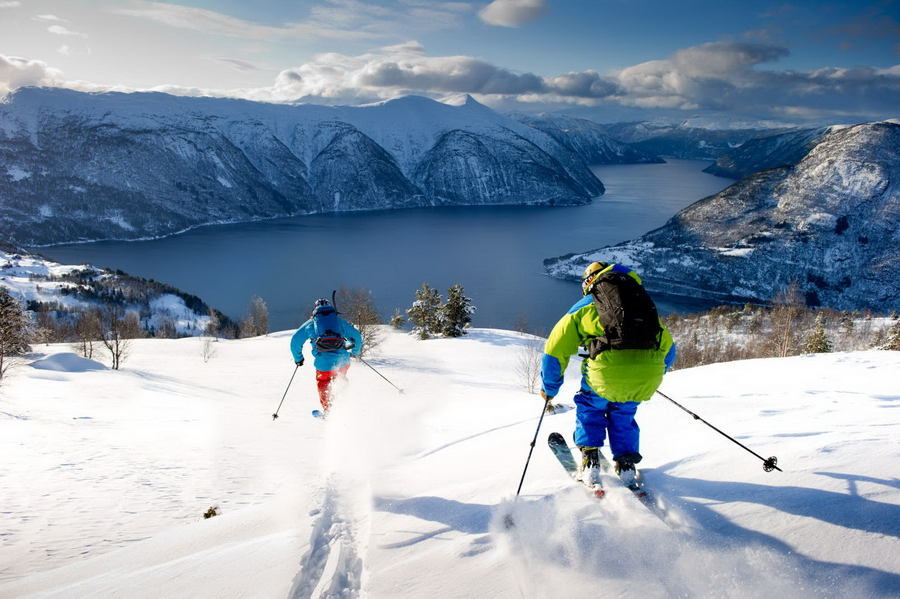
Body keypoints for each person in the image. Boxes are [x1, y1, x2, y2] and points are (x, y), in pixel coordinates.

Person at [540, 262, 676, 488]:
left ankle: (590, 458)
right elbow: (669, 350)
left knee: (590, 406)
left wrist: (549, 388)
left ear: (588, 283)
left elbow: (555, 350)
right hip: (646, 376)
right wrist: (648, 374)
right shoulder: (642, 305)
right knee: (624, 412)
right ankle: (626, 464)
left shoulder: (585, 306)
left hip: (604, 375)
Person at [290, 298, 363, 415]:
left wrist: (298, 359)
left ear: (315, 309)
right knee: (341, 378)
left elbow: (295, 341)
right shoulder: (338, 321)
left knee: (323, 383)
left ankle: (329, 410)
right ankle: (345, 404)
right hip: (343, 361)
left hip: (324, 365)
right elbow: (357, 337)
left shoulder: (311, 324)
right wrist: (355, 352)